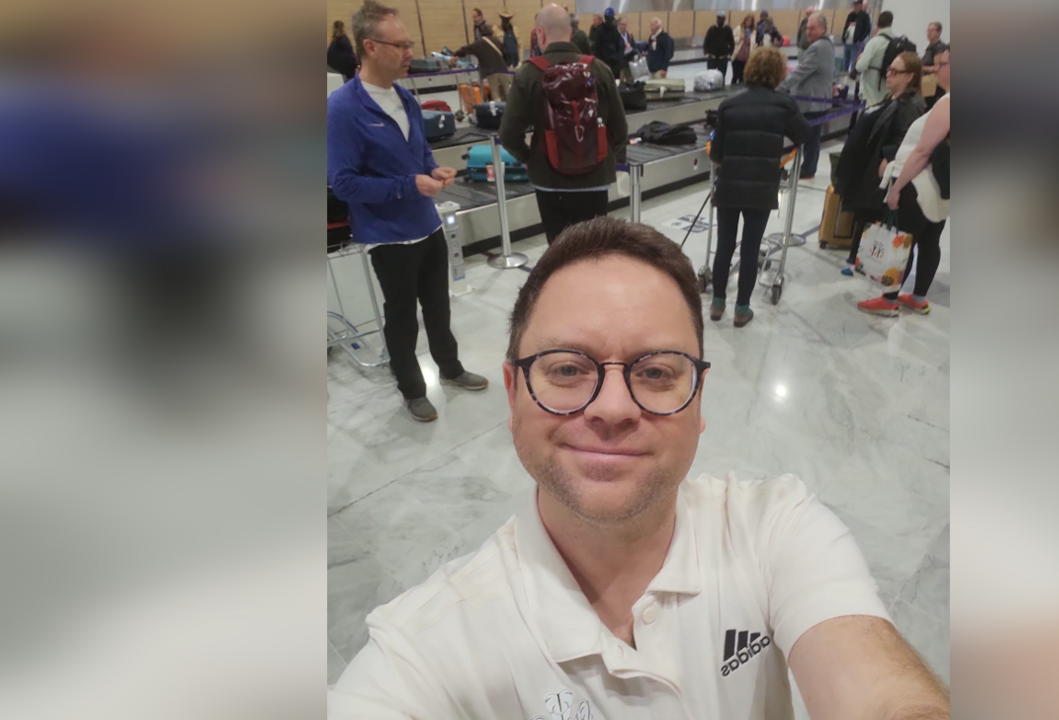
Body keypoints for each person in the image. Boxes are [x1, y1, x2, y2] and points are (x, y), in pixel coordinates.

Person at [328, 216, 953, 719]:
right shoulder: (430, 650)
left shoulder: (775, 531)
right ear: (514, 395)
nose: (613, 409)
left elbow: (881, 692)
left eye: (656, 373)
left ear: (699, 402)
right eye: (568, 368)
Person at [327, 0, 489, 423]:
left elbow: (417, 154)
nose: (408, 53)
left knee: (439, 306)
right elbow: (343, 183)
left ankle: (450, 369)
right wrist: (408, 184)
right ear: (370, 47)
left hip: (427, 223)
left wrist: (431, 169)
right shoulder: (342, 109)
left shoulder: (405, 96)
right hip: (388, 235)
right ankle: (412, 389)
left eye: (409, 43)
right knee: (402, 317)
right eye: (399, 45)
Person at [499, 4, 628, 245]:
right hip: (595, 181)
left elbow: (508, 133)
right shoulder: (599, 69)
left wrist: (529, 158)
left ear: (540, 33)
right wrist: (601, 156)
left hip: (550, 181)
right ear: (570, 33)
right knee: (593, 251)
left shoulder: (528, 74)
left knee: (559, 253)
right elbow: (620, 131)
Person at [710, 47, 810, 328]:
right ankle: (742, 309)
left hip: (729, 184)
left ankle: (717, 304)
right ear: (779, 72)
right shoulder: (784, 105)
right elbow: (804, 134)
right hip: (762, 187)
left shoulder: (729, 104)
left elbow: (716, 153)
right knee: (751, 249)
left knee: (724, 246)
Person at [859, 48, 950, 317]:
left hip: (920, 184)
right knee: (931, 239)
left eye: (941, 63)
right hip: (941, 185)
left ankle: (889, 299)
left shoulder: (948, 103)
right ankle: (919, 297)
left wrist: (897, 188)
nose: (935, 68)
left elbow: (922, 151)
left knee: (904, 239)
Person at [833, 51, 926, 277]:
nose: (889, 75)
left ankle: (865, 260)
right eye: (889, 70)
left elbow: (907, 137)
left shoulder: (910, 105)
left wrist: (888, 156)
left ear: (909, 77)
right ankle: (856, 255)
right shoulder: (892, 99)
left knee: (871, 213)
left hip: (882, 170)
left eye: (895, 71)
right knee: (864, 213)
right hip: (869, 165)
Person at [778, 13, 834, 180]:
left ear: (822, 29)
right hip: (820, 100)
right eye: (807, 28)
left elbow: (800, 73)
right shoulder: (827, 45)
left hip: (812, 102)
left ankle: (807, 170)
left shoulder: (817, 48)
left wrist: (779, 87)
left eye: (812, 28)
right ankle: (808, 168)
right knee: (813, 138)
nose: (808, 32)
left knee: (809, 138)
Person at [449, 24, 512, 101]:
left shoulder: (478, 43)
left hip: (491, 72)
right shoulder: (496, 40)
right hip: (503, 69)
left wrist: (455, 55)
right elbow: (505, 53)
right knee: (508, 92)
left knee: (495, 95)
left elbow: (466, 49)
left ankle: (498, 111)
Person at [854, 10, 898, 106]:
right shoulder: (896, 43)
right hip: (886, 88)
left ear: (877, 23)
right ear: (891, 23)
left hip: (871, 89)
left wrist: (859, 60)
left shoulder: (874, 42)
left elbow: (860, 67)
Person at [593, 8, 628, 79]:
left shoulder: (612, 30)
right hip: (606, 65)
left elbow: (620, 46)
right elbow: (597, 49)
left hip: (610, 65)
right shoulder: (603, 31)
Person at [841, 0, 871, 74]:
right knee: (845, 61)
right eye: (854, 5)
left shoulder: (865, 16)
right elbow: (846, 27)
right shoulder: (850, 15)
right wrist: (843, 38)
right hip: (847, 43)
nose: (855, 7)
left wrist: (860, 39)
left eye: (856, 5)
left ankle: (852, 76)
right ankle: (843, 75)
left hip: (856, 44)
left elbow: (867, 29)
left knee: (854, 62)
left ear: (860, 5)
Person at [703, 11, 734, 78]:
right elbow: (706, 42)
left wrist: (730, 54)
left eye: (722, 19)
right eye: (719, 18)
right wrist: (706, 54)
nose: (720, 20)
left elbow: (732, 43)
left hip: (723, 59)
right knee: (710, 78)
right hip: (712, 58)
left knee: (722, 78)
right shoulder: (712, 29)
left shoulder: (728, 30)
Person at [730, 13, 756, 85]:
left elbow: (753, 45)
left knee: (743, 77)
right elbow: (731, 39)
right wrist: (739, 38)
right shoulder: (739, 28)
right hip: (737, 57)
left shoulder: (753, 32)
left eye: (750, 21)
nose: (748, 23)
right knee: (735, 76)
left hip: (747, 59)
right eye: (747, 21)